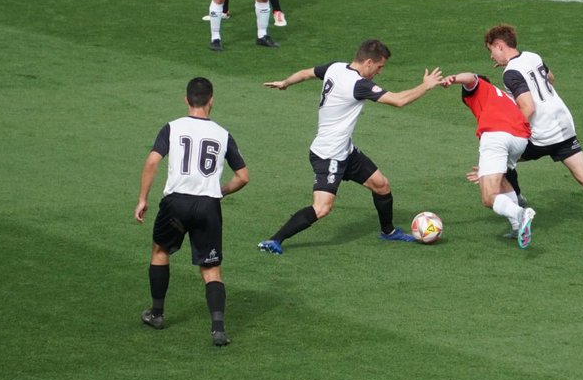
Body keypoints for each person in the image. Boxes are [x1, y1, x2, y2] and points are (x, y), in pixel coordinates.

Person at [258, 39, 444, 255]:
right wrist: (426, 86)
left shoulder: (336, 67)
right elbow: (398, 100)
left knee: (381, 185)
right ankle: (274, 240)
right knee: (322, 208)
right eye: (379, 67)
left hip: (345, 150)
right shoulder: (358, 84)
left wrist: (286, 82)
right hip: (329, 155)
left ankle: (389, 231)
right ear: (368, 62)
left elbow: (306, 73)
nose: (379, 72)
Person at [483, 24, 583, 242]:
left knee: (502, 157)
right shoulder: (532, 56)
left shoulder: (511, 73)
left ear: (499, 46)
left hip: (541, 134)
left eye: (491, 50)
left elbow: (528, 108)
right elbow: (551, 78)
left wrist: (510, 129)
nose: (491, 56)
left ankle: (517, 205)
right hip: (564, 127)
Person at [135, 76, 249, 346]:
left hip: (176, 203)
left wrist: (142, 199)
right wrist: (219, 191)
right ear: (211, 101)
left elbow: (152, 162)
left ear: (186, 100)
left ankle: (157, 313)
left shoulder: (172, 128)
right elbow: (243, 177)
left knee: (161, 251)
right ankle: (218, 329)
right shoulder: (223, 134)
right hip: (208, 205)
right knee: (211, 269)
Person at [442, 71, 537, 248]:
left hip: (496, 136)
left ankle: (519, 214)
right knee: (502, 179)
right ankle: (518, 227)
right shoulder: (502, 97)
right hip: (520, 139)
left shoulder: (480, 88)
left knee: (488, 196)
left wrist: (453, 79)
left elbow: (471, 77)